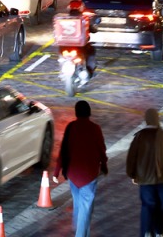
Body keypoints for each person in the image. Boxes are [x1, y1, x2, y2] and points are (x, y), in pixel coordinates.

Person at [53, 100, 107, 237]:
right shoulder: (95, 128)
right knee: (86, 207)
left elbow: (63, 150)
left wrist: (56, 171)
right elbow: (101, 149)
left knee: (78, 202)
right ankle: (80, 233)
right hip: (89, 175)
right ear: (89, 112)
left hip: (73, 173)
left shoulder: (71, 127)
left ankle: (78, 225)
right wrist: (104, 165)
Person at [127, 108, 163, 237]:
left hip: (145, 179)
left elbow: (132, 157)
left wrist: (132, 174)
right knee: (162, 206)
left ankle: (147, 232)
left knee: (147, 205)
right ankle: (159, 230)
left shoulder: (139, 137)